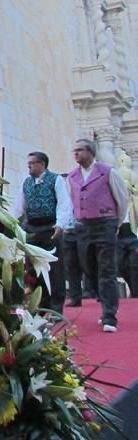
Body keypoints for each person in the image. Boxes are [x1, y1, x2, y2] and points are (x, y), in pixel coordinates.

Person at [67, 138, 130, 332]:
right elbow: (72, 200)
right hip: (83, 226)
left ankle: (109, 316)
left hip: (105, 224)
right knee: (89, 268)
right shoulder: (72, 176)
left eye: (79, 150)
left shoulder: (108, 171)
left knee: (107, 271)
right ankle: (103, 296)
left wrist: (115, 223)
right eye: (74, 150)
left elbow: (122, 198)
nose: (75, 153)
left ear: (90, 152)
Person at [10, 151, 72, 314]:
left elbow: (64, 203)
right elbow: (19, 206)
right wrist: (11, 224)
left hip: (50, 228)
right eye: (28, 163)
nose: (29, 166)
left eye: (32, 162)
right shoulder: (26, 183)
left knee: (55, 269)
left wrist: (60, 224)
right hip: (31, 230)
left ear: (42, 164)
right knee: (33, 269)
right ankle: (40, 305)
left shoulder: (56, 180)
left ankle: (57, 307)